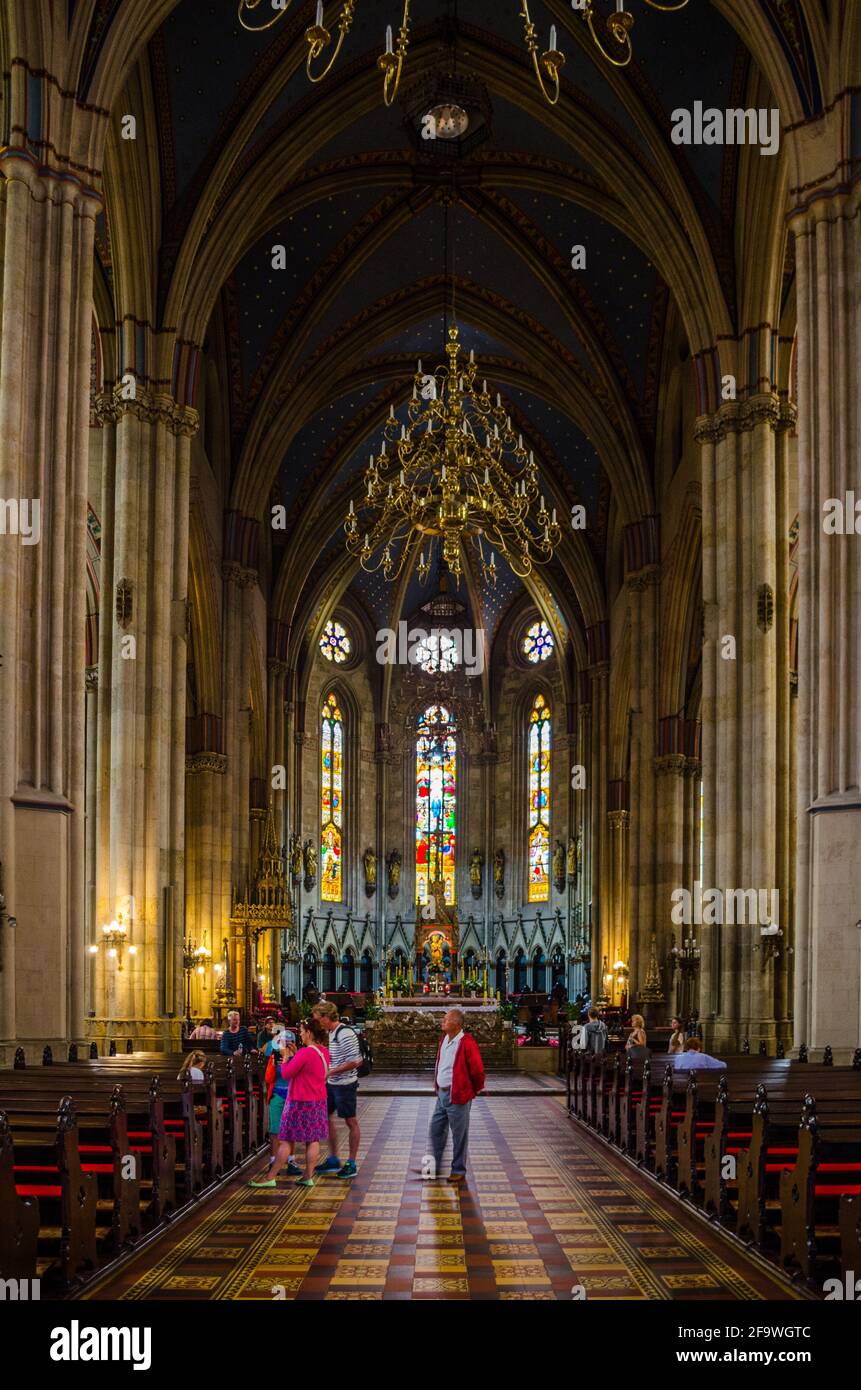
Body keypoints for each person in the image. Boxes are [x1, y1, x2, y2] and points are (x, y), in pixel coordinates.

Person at [249, 1014, 331, 1188]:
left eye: (301, 1032)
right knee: (313, 1139)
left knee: (286, 1140)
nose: (300, 1035)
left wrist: (286, 1057)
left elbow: (286, 1074)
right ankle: (308, 1176)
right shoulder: (324, 1051)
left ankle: (270, 1177)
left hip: (299, 1101)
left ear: (309, 1033)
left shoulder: (305, 1052)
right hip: (318, 1100)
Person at [428, 1008, 485, 1184]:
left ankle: (458, 1169)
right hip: (442, 1094)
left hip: (458, 1095)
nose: (443, 1022)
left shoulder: (467, 1043)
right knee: (436, 1129)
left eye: (446, 1020)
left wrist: (472, 1089)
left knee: (459, 1134)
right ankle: (434, 1165)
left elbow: (478, 1070)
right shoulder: (444, 1039)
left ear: (457, 1024)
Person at [312, 1000, 362, 1179]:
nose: (317, 1022)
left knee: (351, 1122)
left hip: (345, 1084)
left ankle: (352, 1163)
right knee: (325, 1117)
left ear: (326, 1017)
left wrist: (331, 1071)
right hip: (331, 1083)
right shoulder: (331, 1033)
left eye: (318, 1019)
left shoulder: (344, 1033)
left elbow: (356, 1061)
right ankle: (333, 1158)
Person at [263, 1030, 302, 1176]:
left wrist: (295, 1055)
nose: (284, 1044)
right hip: (277, 1095)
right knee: (275, 1131)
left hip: (292, 1096)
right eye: (282, 1041)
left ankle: (291, 1161)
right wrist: (274, 1056)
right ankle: (273, 1161)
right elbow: (268, 1078)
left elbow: (300, 1075)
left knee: (291, 1130)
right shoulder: (274, 1055)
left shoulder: (297, 1056)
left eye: (287, 1041)